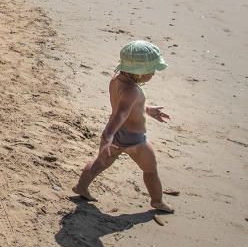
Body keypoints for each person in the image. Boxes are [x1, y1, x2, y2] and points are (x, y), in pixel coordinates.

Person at [73, 41, 173, 213]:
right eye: (152, 70)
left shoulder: (116, 80)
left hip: (117, 135)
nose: (154, 74)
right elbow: (121, 114)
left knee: (100, 163)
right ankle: (157, 201)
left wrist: (147, 109)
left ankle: (81, 187)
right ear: (140, 73)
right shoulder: (133, 90)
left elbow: (125, 106)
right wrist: (107, 136)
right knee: (150, 169)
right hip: (134, 139)